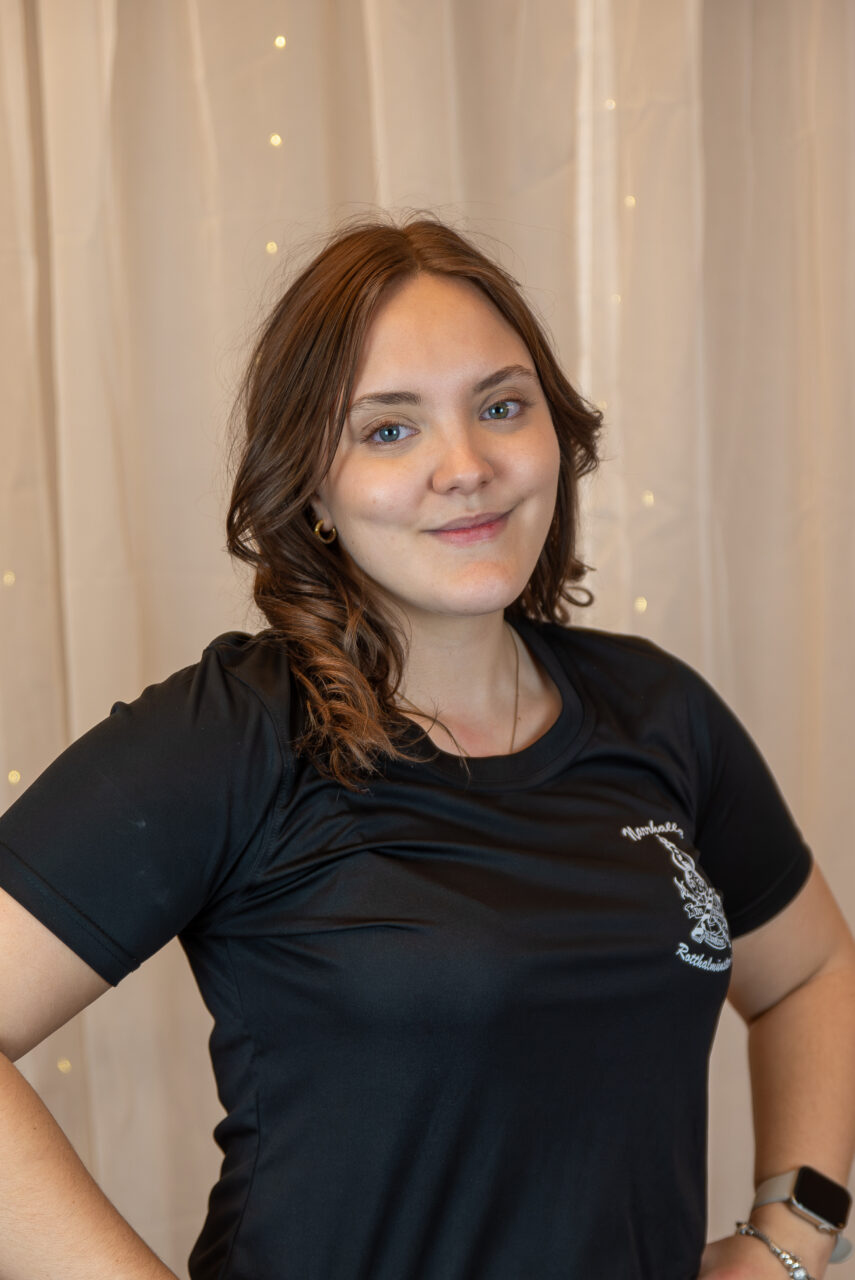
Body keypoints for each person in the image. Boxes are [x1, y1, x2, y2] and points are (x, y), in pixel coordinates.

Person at [0, 214, 853, 1280]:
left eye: (501, 406)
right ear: (312, 485)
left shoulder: (658, 711)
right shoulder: (233, 735)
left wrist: (792, 1235)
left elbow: (810, 969)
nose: (467, 466)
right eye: (389, 429)